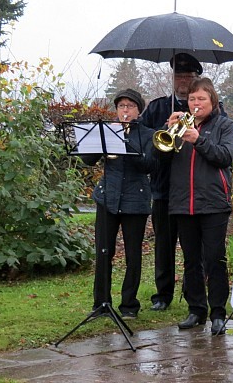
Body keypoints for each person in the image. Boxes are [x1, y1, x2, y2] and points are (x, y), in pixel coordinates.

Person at [163, 77, 233, 336]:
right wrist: (169, 131)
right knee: (191, 260)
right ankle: (196, 309)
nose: (196, 104)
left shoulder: (225, 125)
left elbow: (226, 156)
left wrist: (198, 140)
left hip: (214, 203)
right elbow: (159, 160)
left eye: (201, 99)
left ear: (212, 101)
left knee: (214, 259)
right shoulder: (180, 126)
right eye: (192, 99)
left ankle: (218, 312)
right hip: (183, 203)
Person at [81, 89, 156, 320]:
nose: (125, 110)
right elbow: (88, 160)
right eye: (121, 106)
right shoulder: (106, 131)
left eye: (130, 106)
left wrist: (126, 144)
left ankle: (129, 306)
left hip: (136, 198)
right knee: (104, 252)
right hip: (107, 198)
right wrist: (95, 141)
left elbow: (149, 165)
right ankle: (101, 303)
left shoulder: (147, 134)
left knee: (133, 254)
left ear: (138, 110)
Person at [141, 53, 202, 312]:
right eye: (179, 76)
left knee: (192, 246)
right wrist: (164, 128)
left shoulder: (202, 107)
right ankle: (163, 294)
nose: (184, 81)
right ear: (172, 77)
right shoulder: (157, 108)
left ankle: (192, 292)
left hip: (192, 188)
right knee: (164, 245)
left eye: (188, 76)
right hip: (164, 187)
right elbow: (144, 143)